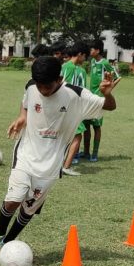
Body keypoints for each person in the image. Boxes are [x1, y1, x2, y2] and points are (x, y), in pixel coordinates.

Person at [0, 56, 120, 257]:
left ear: (60, 79)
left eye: (47, 85)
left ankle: (9, 242)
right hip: (25, 154)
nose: (42, 90)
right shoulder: (32, 86)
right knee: (14, 199)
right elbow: (27, 100)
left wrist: (107, 94)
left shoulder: (76, 96)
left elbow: (109, 106)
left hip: (51, 165)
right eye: (39, 85)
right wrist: (21, 116)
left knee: (28, 208)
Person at [84, 39, 117, 162]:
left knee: (96, 126)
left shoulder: (105, 63)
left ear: (97, 50)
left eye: (91, 49)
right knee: (86, 124)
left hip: (99, 99)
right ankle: (86, 152)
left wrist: (107, 92)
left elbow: (116, 77)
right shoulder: (92, 61)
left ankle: (95, 153)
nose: (89, 51)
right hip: (89, 98)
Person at [59, 42, 89, 176]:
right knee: (77, 135)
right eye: (85, 56)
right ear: (80, 54)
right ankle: (66, 166)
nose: (85, 59)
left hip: (63, 105)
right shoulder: (74, 69)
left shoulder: (67, 67)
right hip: (72, 107)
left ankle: (56, 164)